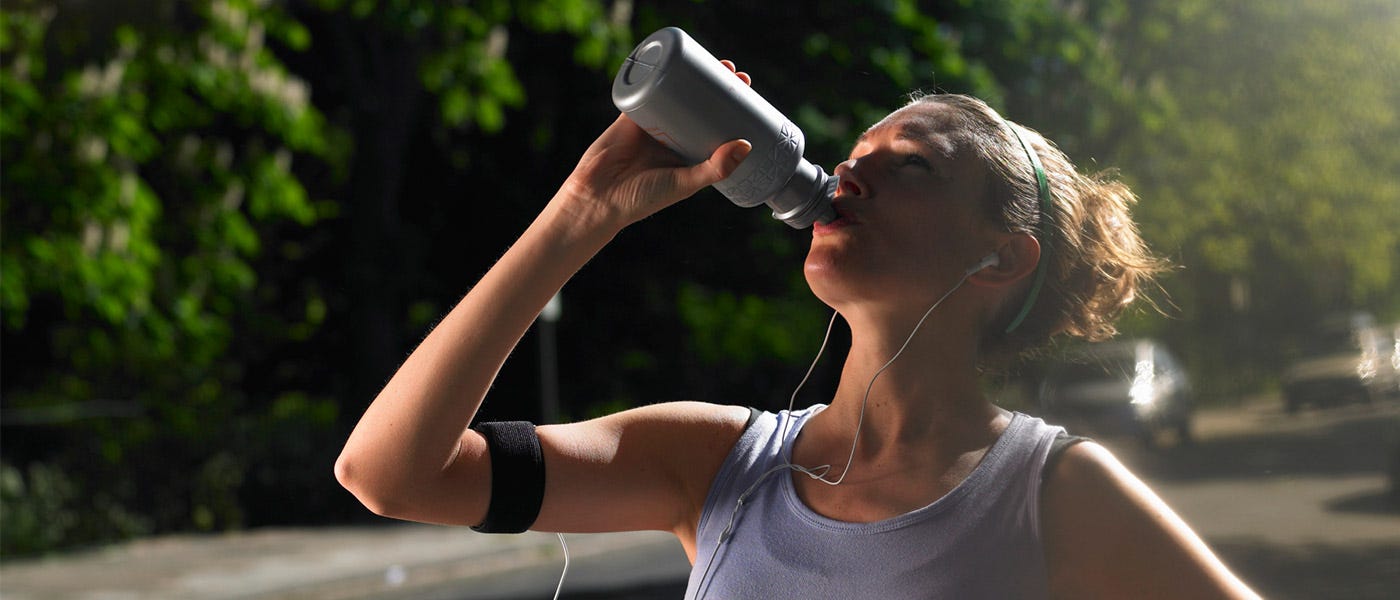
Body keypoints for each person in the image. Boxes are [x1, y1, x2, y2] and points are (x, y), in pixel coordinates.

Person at [335, 61, 1259, 598]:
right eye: (852, 156)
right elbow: (387, 474)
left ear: (1001, 258)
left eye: (914, 167)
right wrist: (583, 211)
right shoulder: (719, 466)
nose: (848, 177)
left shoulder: (1052, 493)